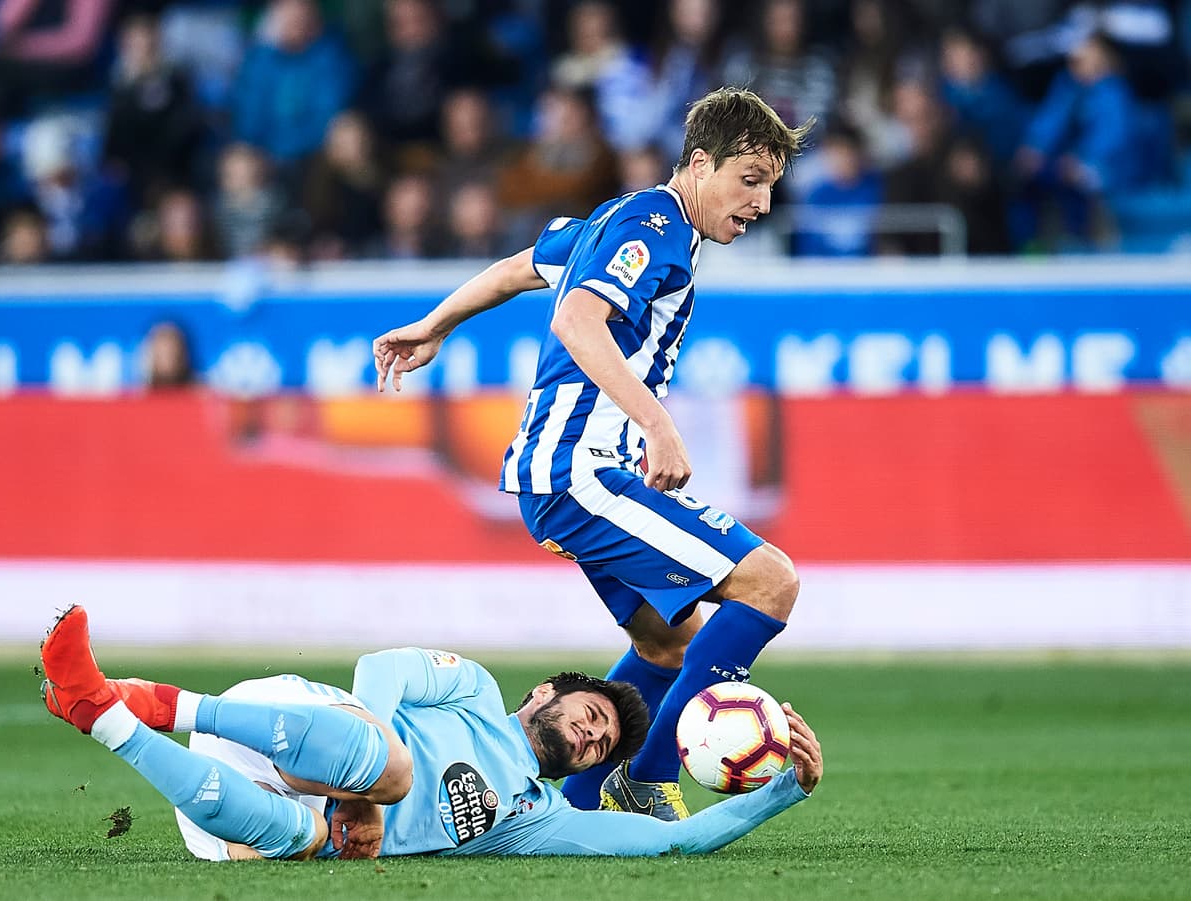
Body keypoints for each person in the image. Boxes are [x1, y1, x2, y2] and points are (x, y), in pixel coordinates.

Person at [373, 87, 812, 821]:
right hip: (582, 469)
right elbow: (578, 320)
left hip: (560, 474)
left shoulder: (625, 220)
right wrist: (659, 424)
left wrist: (435, 322)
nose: (762, 202)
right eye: (750, 179)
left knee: (667, 642)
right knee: (769, 582)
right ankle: (647, 779)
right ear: (700, 164)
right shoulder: (654, 227)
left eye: (770, 185)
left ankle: (570, 805)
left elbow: (522, 265)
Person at [40, 605, 822, 860]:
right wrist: (371, 791)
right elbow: (381, 666)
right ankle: (169, 703)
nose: (588, 739)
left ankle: (105, 715)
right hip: (281, 722)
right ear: (545, 692)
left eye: (600, 746)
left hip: (227, 812)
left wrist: (788, 788)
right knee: (392, 765)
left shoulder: (535, 820)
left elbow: (670, 844)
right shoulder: (475, 689)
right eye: (590, 717)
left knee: (305, 843)